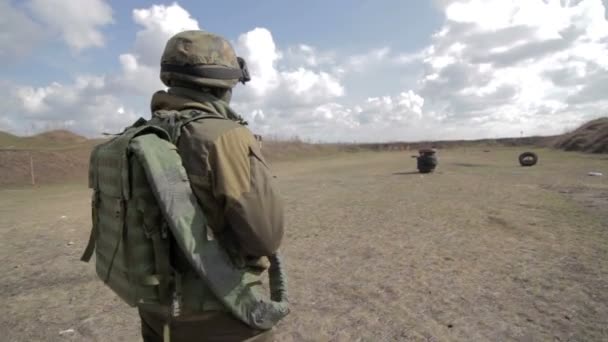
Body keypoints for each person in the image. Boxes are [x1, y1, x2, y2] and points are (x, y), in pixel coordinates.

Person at [137, 30, 286, 341]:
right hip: (220, 312)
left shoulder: (142, 136)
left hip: (155, 310)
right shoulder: (225, 137)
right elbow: (265, 238)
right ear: (226, 82)